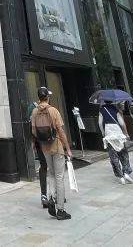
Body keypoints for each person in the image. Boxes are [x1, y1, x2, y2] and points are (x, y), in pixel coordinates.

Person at [30, 86, 74, 219]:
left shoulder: (34, 112)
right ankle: (60, 209)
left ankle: (51, 198)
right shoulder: (53, 110)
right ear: (47, 97)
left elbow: (33, 131)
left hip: (44, 147)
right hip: (57, 146)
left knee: (51, 174)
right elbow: (60, 131)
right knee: (59, 176)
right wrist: (67, 148)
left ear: (39, 97)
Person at [99, 100, 133, 185]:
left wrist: (103, 133)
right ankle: (126, 172)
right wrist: (126, 133)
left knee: (113, 157)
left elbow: (100, 123)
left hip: (109, 135)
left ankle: (120, 176)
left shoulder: (102, 110)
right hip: (119, 134)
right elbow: (122, 123)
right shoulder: (115, 109)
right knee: (124, 154)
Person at [25, 95, 50, 208]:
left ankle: (44, 195)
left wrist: (33, 141)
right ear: (47, 98)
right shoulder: (51, 109)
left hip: (39, 142)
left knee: (43, 166)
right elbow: (58, 127)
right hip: (50, 142)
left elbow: (32, 128)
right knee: (53, 168)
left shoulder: (33, 109)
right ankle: (56, 194)